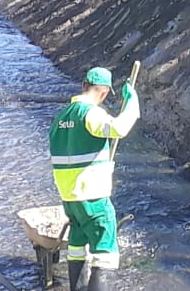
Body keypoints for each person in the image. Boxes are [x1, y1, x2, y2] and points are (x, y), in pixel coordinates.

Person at [49, 67, 140, 291]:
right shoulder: (90, 113)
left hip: (70, 198)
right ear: (104, 93)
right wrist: (132, 103)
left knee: (77, 247)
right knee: (106, 252)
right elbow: (119, 128)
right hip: (93, 197)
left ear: (83, 86)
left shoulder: (61, 117)